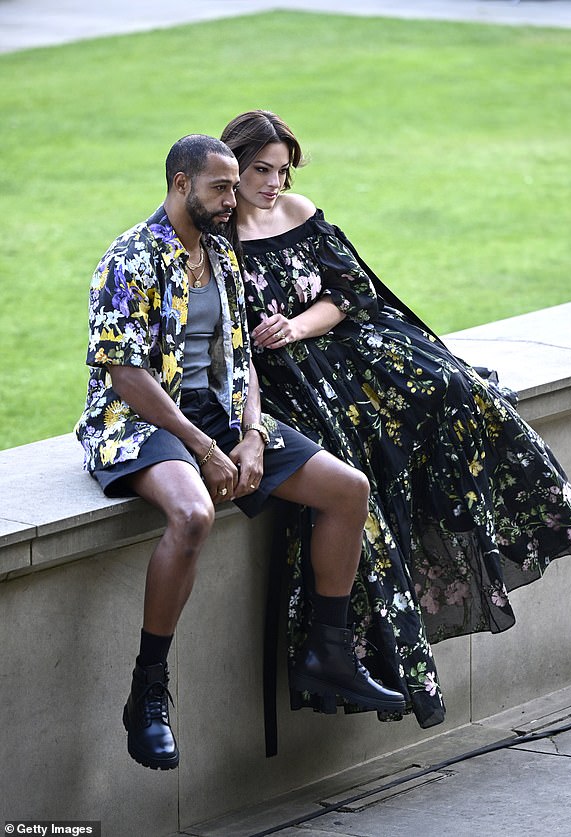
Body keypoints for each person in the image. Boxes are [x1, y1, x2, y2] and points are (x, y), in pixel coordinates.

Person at [219, 110, 571, 734]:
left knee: (455, 387)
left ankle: (544, 515)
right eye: (260, 170)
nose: (272, 183)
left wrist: (296, 324)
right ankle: (348, 643)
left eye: (282, 170)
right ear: (230, 166)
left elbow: (350, 293)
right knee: (361, 451)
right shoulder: (214, 240)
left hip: (340, 345)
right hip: (283, 380)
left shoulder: (297, 211)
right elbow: (225, 337)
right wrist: (275, 351)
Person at [75, 134, 408, 771]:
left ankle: (328, 653)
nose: (233, 200)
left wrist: (252, 434)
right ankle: (149, 691)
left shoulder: (221, 256)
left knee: (348, 490)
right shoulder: (130, 258)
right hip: (141, 420)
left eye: (234, 187)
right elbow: (124, 373)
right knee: (194, 516)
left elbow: (243, 356)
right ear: (180, 185)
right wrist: (203, 447)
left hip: (221, 417)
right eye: (220, 188)